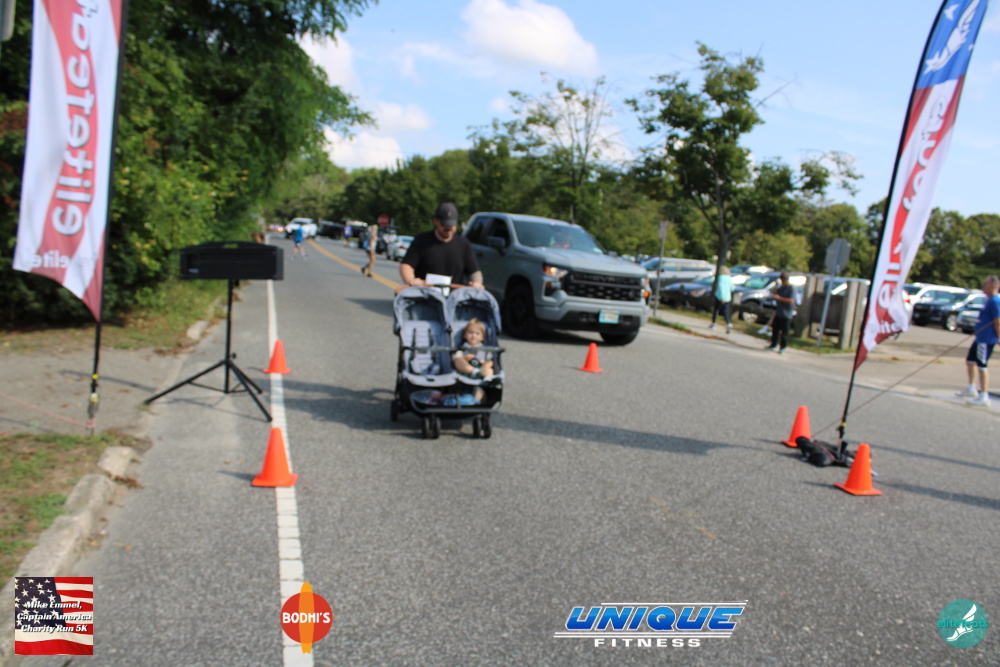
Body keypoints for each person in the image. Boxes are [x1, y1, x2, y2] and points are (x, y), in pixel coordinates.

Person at [398, 202, 483, 293]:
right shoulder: (421, 241)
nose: (448, 228)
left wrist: (477, 283)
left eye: (451, 225)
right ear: (435, 221)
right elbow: (407, 266)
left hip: (453, 298)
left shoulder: (464, 245)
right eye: (445, 224)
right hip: (423, 296)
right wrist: (411, 281)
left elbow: (474, 271)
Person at [956, 275, 1000, 407]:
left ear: (992, 286)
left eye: (985, 284)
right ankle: (971, 388)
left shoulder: (995, 301)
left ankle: (984, 395)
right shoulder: (989, 300)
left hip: (986, 339)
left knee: (982, 365)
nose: (982, 286)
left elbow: (997, 321)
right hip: (980, 337)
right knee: (970, 361)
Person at [452, 318, 499, 402]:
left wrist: (486, 364)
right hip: (466, 372)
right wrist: (464, 358)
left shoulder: (485, 350)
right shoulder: (462, 348)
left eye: (477, 334)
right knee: (458, 359)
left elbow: (491, 360)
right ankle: (474, 371)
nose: (473, 336)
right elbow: (457, 359)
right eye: (470, 333)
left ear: (482, 338)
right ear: (464, 335)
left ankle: (489, 379)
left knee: (488, 369)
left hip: (480, 372)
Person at [765, 271, 795, 354]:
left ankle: (783, 347)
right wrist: (776, 286)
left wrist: (780, 298)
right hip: (779, 312)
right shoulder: (781, 287)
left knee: (784, 332)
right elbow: (774, 294)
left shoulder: (791, 288)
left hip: (787, 314)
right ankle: (773, 344)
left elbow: (791, 300)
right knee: (775, 330)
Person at [709, 266, 734, 333]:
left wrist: (722, 297)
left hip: (719, 296)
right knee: (726, 311)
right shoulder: (729, 278)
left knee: (716, 310)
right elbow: (732, 288)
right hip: (727, 297)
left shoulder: (720, 277)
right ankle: (728, 323)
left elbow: (720, 287)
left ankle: (713, 323)